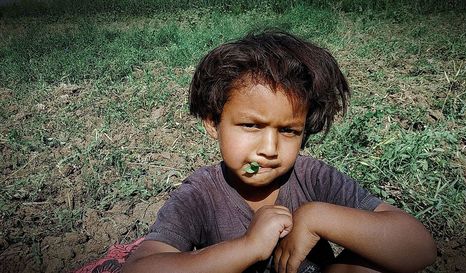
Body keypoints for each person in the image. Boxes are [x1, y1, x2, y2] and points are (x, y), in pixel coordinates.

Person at [123, 30, 436, 273]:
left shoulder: (312, 179)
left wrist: (316, 217)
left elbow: (419, 249)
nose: (270, 150)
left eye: (288, 131)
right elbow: (139, 268)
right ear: (213, 123)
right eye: (251, 126)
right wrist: (248, 247)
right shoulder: (201, 194)